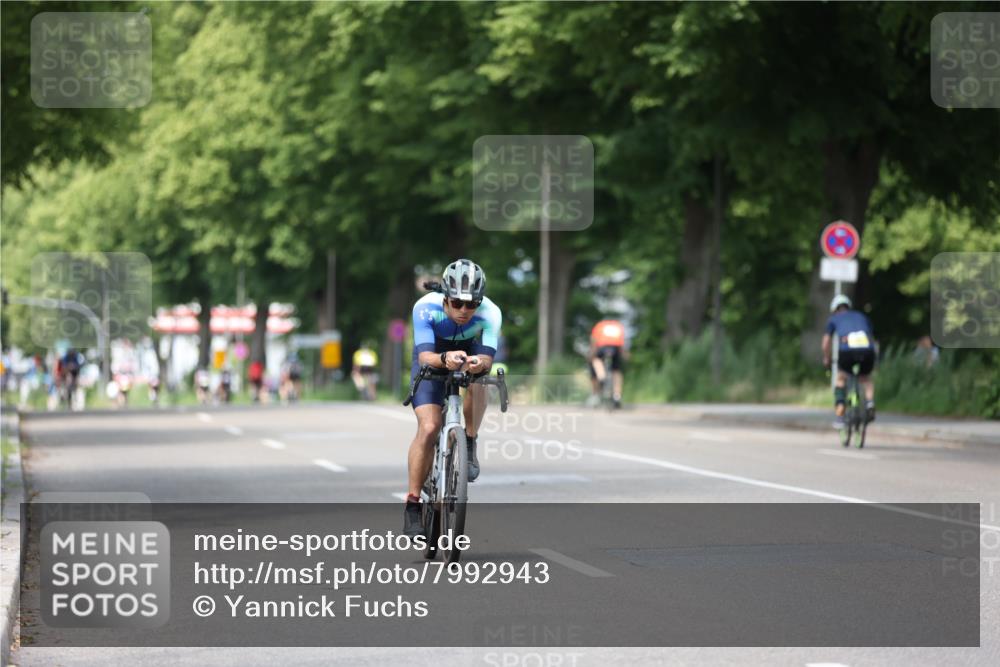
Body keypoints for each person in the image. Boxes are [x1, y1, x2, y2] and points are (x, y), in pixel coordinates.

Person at [403, 259, 501, 536]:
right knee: (430, 427)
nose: (464, 310)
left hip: (470, 354)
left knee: (481, 383)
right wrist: (445, 358)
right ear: (445, 296)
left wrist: (476, 364)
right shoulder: (425, 308)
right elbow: (425, 356)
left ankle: (468, 441)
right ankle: (412, 505)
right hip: (433, 356)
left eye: (472, 304)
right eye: (457, 303)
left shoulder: (491, 313)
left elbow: (486, 358)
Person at [821, 294, 876, 428]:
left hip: (847, 351)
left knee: (841, 378)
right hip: (867, 350)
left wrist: (827, 358)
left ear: (834, 309)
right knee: (866, 379)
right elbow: (872, 336)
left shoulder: (834, 319)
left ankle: (840, 415)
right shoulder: (862, 316)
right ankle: (869, 403)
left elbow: (826, 342)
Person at [588, 319, 626, 408]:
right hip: (615, 348)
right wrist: (624, 354)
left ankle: (601, 377)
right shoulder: (618, 326)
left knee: (596, 360)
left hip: (602, 346)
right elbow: (622, 342)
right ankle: (617, 396)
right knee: (616, 371)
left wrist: (592, 354)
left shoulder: (599, 325)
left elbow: (594, 340)